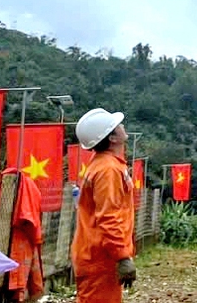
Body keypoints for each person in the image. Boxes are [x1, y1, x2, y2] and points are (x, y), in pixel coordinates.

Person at [70, 108, 137, 303]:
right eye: (117, 126)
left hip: (97, 254)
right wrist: (122, 257)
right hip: (100, 257)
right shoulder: (108, 170)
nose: (123, 126)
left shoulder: (103, 164)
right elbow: (109, 216)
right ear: (113, 138)